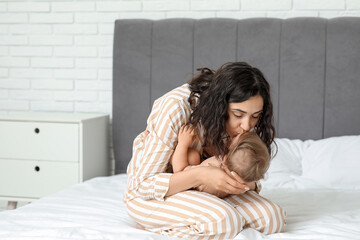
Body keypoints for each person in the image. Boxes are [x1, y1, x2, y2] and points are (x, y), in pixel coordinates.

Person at [124, 62, 286, 239]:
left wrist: (245, 183)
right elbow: (143, 186)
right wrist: (201, 175)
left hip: (207, 192)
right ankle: (154, 226)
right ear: (220, 106)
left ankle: (213, 217)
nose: (247, 126)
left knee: (272, 218)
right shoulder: (176, 107)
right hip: (152, 196)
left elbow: (247, 171)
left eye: (255, 117)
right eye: (238, 115)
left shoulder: (243, 123)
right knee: (224, 220)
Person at [171, 126, 270, 199]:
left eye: (235, 137)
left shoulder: (211, 168)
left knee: (192, 156)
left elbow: (180, 171)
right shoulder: (242, 179)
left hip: (188, 189)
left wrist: (182, 143)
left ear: (225, 157)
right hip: (213, 196)